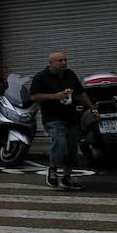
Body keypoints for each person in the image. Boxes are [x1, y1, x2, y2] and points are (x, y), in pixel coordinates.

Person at [29, 51, 95, 190]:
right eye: (59, 60)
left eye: (65, 59)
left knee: (72, 149)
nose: (64, 62)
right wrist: (54, 96)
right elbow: (34, 97)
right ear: (51, 63)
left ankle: (67, 177)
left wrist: (92, 108)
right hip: (52, 118)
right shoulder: (41, 77)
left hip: (71, 117)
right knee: (60, 141)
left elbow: (80, 93)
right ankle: (52, 170)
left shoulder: (70, 74)